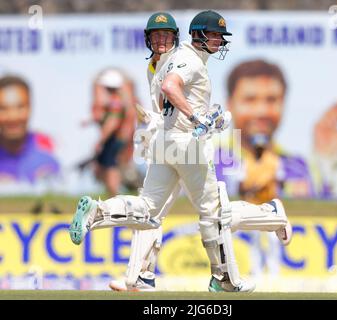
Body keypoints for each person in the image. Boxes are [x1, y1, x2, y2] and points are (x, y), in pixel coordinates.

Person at [69, 10, 292, 293]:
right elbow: (170, 87)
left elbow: (170, 97)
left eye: (220, 37)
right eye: (213, 35)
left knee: (149, 209)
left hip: (166, 143)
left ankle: (97, 212)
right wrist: (197, 118)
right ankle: (225, 277)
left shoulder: (172, 59)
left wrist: (208, 116)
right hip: (187, 145)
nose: (218, 41)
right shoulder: (188, 60)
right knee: (214, 214)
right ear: (197, 34)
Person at [215, 60, 311, 276]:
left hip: (289, 270)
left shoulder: (300, 166)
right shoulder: (208, 159)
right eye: (250, 100)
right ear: (229, 103)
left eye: (271, 100)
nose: (261, 111)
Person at [108, 12, 182, 292]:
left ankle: (270, 215)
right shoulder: (152, 66)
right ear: (148, 39)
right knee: (151, 211)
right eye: (155, 36)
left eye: (165, 35)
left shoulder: (179, 64)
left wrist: (156, 122)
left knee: (214, 213)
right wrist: (152, 123)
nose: (161, 40)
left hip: (189, 148)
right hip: (166, 149)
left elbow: (182, 106)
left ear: (174, 37)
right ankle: (142, 276)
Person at [0, 75, 60, 207]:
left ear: (30, 107)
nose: (13, 117)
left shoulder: (49, 159)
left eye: (20, 107)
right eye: (3, 108)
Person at [90, 67, 138, 196]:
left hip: (113, 138)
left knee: (110, 166)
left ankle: (114, 197)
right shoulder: (119, 99)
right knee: (108, 165)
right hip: (117, 138)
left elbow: (113, 123)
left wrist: (101, 140)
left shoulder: (115, 101)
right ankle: (114, 196)